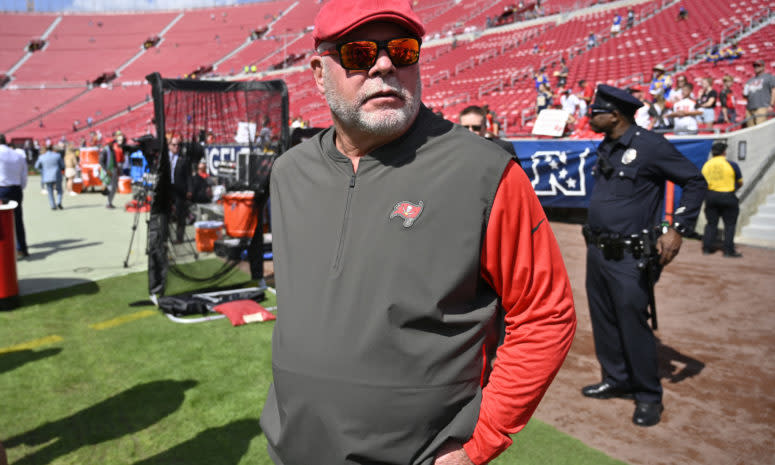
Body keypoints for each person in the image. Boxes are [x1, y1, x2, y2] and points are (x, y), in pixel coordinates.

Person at [259, 1, 577, 464]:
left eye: (403, 51)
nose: (384, 64)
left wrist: (479, 442)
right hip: (293, 448)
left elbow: (545, 316)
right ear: (317, 71)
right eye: (359, 52)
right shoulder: (288, 172)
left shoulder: (484, 172)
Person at [581, 84, 707, 427]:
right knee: (604, 319)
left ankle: (648, 395)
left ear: (615, 114)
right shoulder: (608, 145)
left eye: (595, 112)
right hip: (598, 251)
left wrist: (678, 227)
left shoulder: (649, 145)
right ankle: (617, 379)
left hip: (629, 256)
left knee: (633, 322)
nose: (590, 117)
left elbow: (695, 181)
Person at [701, 142, 743, 257]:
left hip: (711, 195)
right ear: (724, 152)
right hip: (728, 195)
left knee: (711, 224)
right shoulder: (731, 164)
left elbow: (702, 182)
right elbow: (740, 182)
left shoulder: (706, 165)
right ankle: (728, 250)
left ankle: (707, 248)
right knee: (729, 225)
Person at [0, 134, 29, 259]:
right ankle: (21, 248)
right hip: (16, 188)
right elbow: (24, 175)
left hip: (2, 188)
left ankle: (5, 250)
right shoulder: (18, 154)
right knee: (18, 220)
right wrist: (20, 187)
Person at [168, 135, 192, 242]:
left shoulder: (184, 159)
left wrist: (189, 190)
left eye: (178, 145)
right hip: (168, 189)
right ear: (169, 146)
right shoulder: (165, 159)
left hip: (180, 190)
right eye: (174, 145)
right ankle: (166, 237)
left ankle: (179, 237)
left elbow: (189, 176)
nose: (176, 147)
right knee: (167, 214)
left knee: (180, 215)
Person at [742, 59, 775, 127]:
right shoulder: (750, 80)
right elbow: (745, 95)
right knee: (750, 130)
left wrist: (771, 105)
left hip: (762, 107)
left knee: (760, 129)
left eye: (758, 65)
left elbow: (773, 90)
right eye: (755, 66)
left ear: (763, 67)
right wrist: (744, 93)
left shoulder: (769, 77)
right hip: (749, 109)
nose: (756, 67)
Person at [35, 142, 65, 210]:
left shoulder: (42, 157)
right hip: (57, 175)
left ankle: (53, 205)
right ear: (52, 148)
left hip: (47, 176)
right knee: (59, 190)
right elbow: (62, 165)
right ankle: (58, 202)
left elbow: (36, 166)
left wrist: (43, 169)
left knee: (50, 191)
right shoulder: (57, 155)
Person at [99, 132, 123, 209]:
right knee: (111, 187)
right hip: (108, 172)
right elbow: (101, 162)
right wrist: (106, 170)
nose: (113, 143)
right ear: (108, 143)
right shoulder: (105, 151)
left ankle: (110, 202)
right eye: (112, 143)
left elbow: (115, 161)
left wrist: (117, 169)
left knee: (114, 187)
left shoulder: (112, 150)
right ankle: (108, 202)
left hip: (114, 170)